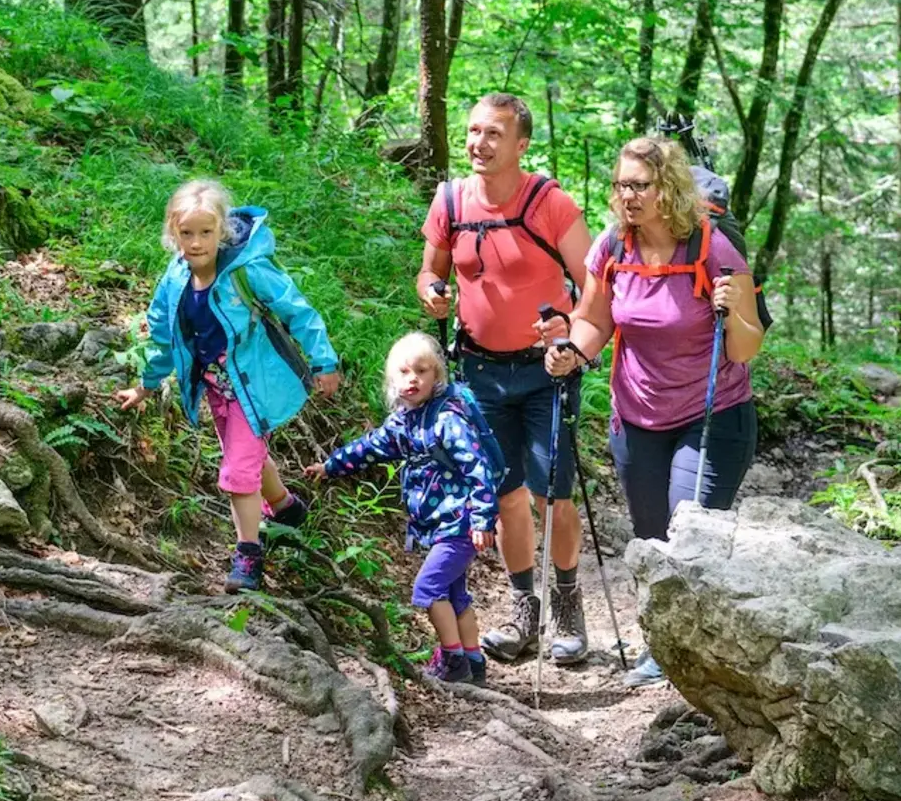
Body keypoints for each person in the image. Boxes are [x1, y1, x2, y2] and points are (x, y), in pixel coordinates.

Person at [546, 137, 765, 687]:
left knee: (688, 536)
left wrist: (729, 312)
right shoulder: (612, 248)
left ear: (668, 189)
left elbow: (745, 346)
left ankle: (696, 659)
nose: (627, 196)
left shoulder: (716, 251)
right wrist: (573, 351)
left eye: (639, 185)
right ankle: (661, 646)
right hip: (637, 417)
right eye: (620, 185)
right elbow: (594, 319)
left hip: (712, 413)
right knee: (651, 539)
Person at [417, 94, 594, 665]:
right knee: (504, 494)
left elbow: (595, 284)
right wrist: (430, 292)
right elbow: (430, 269)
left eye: (494, 133)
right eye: (473, 131)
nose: (479, 143)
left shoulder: (550, 203)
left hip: (547, 371)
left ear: (521, 145)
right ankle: (524, 610)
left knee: (553, 494)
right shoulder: (450, 200)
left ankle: (568, 605)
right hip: (480, 372)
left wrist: (569, 331)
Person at [115, 179, 342, 591]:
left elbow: (297, 310)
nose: (197, 242)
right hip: (217, 388)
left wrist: (324, 360)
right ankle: (285, 507)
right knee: (247, 454)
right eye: (187, 233)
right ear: (173, 232)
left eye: (206, 232)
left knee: (238, 467)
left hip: (254, 386)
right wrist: (146, 386)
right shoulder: (175, 279)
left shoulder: (247, 271)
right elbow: (163, 336)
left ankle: (249, 556)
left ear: (223, 231)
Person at [306, 333, 499, 683]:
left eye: (422, 371)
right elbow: (370, 447)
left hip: (460, 523)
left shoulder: (447, 419)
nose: (413, 379)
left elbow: (477, 466)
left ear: (437, 376)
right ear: (392, 380)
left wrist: (484, 518)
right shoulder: (403, 422)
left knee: (427, 590)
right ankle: (475, 663)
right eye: (404, 372)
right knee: (455, 594)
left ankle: (453, 661)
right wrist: (331, 465)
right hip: (440, 524)